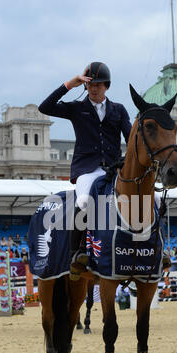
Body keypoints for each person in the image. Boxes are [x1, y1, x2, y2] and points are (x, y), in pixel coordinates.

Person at [38, 61, 132, 279]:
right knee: (83, 202)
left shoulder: (119, 110)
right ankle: (77, 251)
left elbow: (130, 137)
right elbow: (45, 107)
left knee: (137, 199)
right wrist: (69, 84)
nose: (94, 88)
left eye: (98, 84)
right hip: (87, 170)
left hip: (113, 169)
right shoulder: (78, 108)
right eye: (90, 84)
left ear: (106, 86)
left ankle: (142, 250)